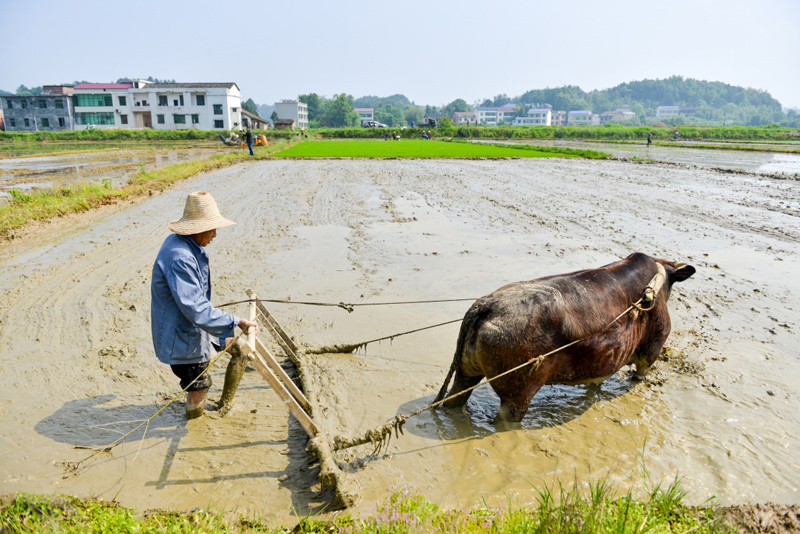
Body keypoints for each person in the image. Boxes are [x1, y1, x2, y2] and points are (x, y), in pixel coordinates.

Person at [151, 191, 258, 419]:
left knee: (239, 351)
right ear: (197, 229)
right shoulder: (180, 257)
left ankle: (224, 408)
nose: (216, 234)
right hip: (183, 338)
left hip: (194, 325)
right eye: (213, 229)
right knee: (199, 385)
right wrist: (236, 321)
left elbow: (195, 303)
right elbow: (196, 309)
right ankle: (195, 422)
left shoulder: (182, 244)